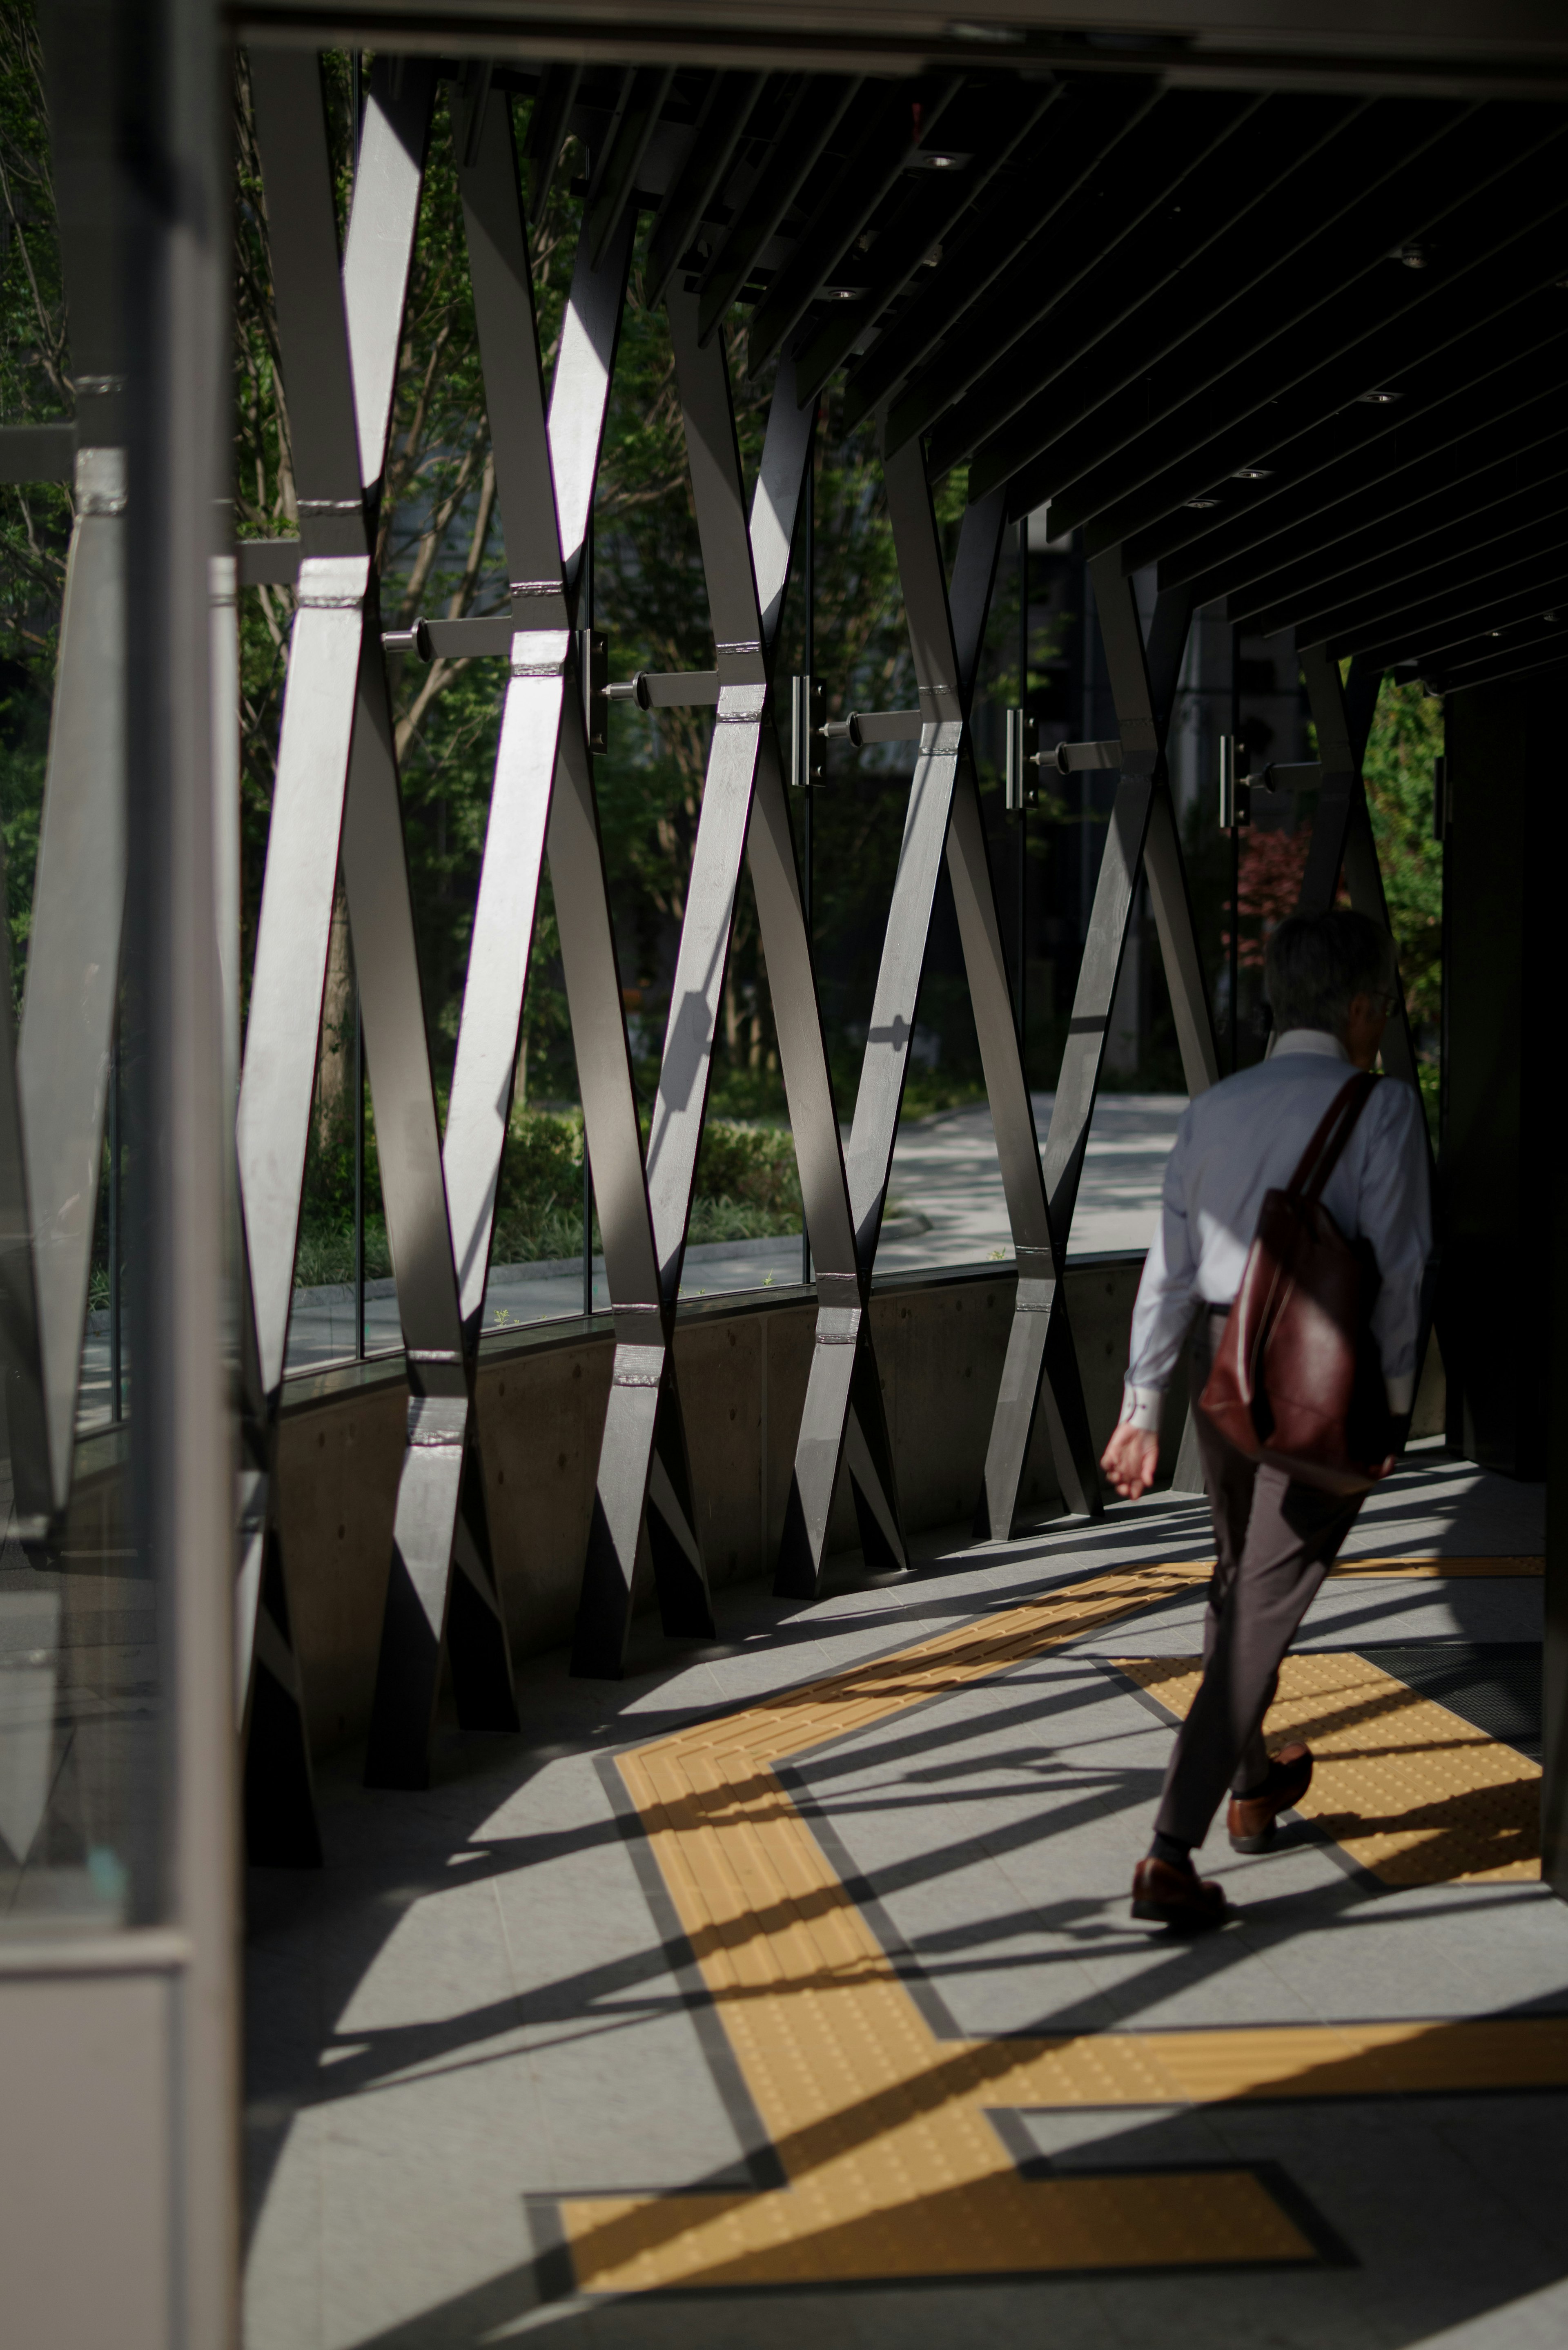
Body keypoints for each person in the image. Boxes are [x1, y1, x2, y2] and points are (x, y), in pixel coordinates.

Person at [1100, 907, 1431, 1929]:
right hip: (1321, 1379)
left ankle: (1251, 1787)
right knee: (1260, 1607)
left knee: (1243, 1580)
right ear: (1363, 1006)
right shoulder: (1380, 1111)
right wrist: (1395, 1410)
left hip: (1221, 1369)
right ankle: (1168, 1850)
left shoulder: (1215, 1108)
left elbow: (1169, 1264)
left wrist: (1142, 1403)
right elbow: (1403, 1276)